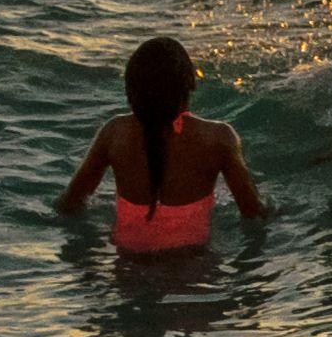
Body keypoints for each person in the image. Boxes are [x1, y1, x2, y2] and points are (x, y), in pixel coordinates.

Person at [56, 36, 270, 252]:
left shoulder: (113, 133)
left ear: (129, 91)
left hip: (127, 270)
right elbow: (253, 213)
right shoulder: (219, 138)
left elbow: (70, 204)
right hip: (193, 266)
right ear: (191, 83)